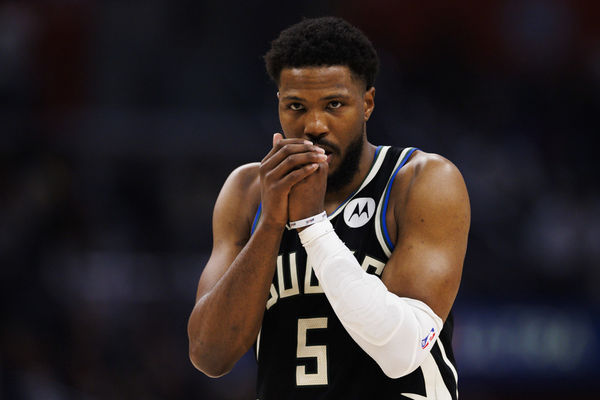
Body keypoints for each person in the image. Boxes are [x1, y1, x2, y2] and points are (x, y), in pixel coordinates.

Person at [187, 16, 470, 399]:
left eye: (334, 104)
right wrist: (271, 222)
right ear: (279, 106)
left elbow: (401, 352)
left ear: (367, 104)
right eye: (296, 106)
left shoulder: (421, 182)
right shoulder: (248, 192)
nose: (314, 125)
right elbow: (209, 355)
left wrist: (311, 225)